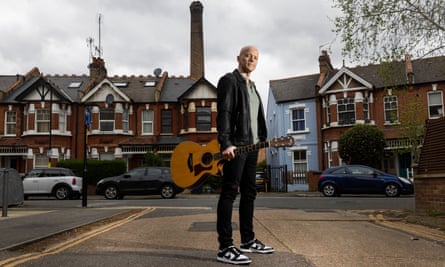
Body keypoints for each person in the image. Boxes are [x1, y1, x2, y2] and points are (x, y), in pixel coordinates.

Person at [216, 45, 274, 265]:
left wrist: (261, 143)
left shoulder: (253, 86)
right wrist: (226, 142)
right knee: (230, 192)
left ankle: (248, 240)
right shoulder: (229, 81)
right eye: (248, 56)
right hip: (236, 146)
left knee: (250, 192)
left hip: (251, 147)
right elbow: (225, 113)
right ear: (239, 58)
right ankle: (225, 247)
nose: (251, 59)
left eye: (255, 57)